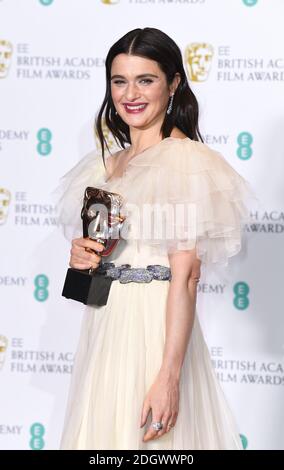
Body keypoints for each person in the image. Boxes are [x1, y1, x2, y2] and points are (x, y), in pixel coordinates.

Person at [57, 27, 254, 450]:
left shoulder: (185, 162)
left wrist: (168, 375)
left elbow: (186, 275)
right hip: (106, 322)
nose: (131, 93)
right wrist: (82, 257)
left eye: (145, 80)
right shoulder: (108, 165)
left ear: (174, 83)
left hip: (154, 326)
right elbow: (103, 253)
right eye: (119, 81)